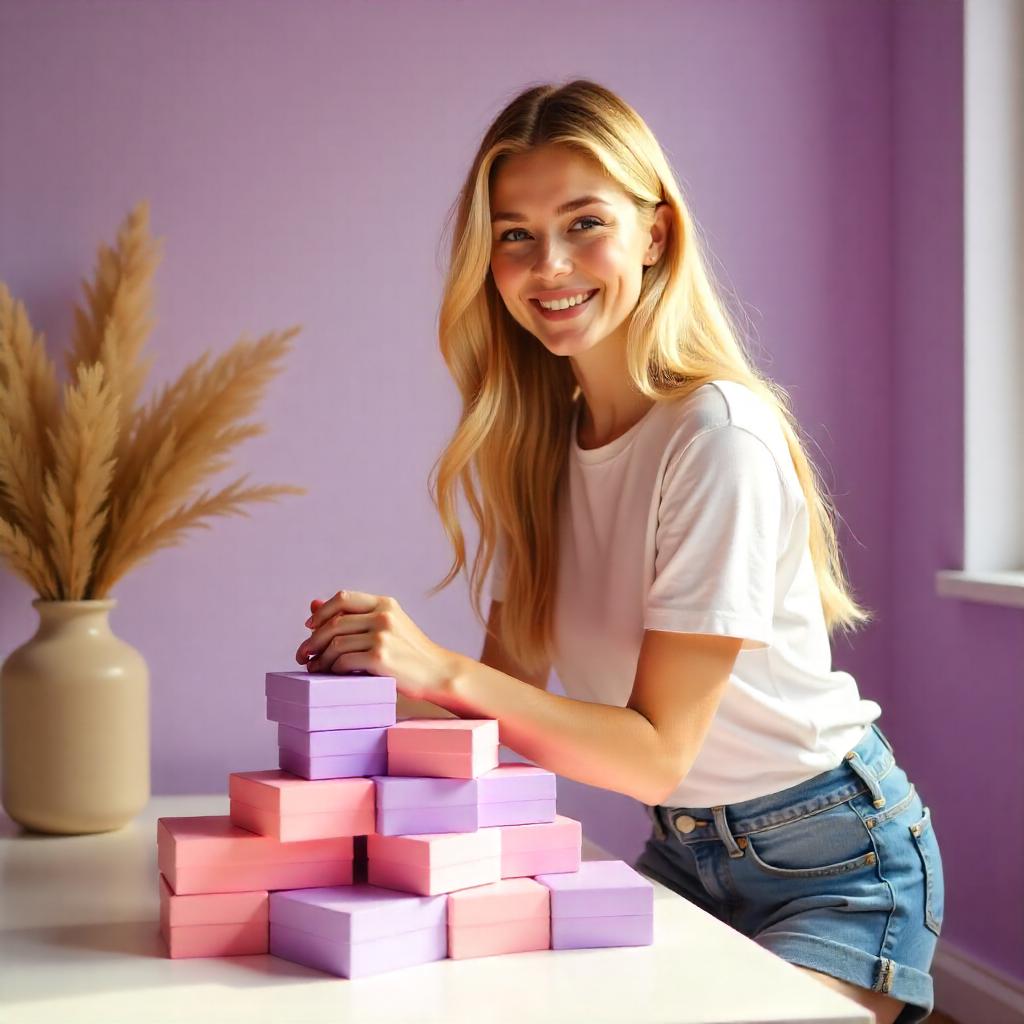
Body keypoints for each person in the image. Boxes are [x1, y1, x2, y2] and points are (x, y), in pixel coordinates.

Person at [295, 79, 945, 1023]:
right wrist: (363, 687)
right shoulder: (543, 446)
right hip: (684, 851)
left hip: (836, 864)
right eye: (513, 233)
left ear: (655, 233)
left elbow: (653, 756)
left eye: (583, 222)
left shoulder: (716, 437)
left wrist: (435, 664)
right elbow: (504, 704)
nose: (547, 263)